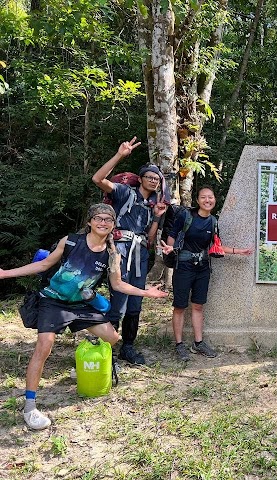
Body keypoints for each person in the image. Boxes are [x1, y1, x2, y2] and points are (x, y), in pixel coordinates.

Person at [0, 204, 168, 430]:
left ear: (113, 225)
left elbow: (117, 284)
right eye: (98, 218)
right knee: (44, 346)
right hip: (54, 300)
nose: (103, 222)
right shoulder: (70, 241)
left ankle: (86, 364)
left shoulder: (112, 254)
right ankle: (30, 407)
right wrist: (5, 273)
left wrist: (147, 291)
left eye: (108, 219)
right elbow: (44, 264)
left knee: (113, 338)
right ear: (89, 221)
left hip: (82, 303)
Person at [92, 137, 168, 365]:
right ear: (142, 178)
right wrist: (120, 155)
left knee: (136, 302)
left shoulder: (151, 205)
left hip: (140, 253)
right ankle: (107, 348)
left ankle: (128, 347)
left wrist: (156, 217)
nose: (154, 181)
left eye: (157, 179)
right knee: (120, 300)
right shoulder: (125, 193)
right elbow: (98, 179)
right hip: (120, 251)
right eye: (150, 177)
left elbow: (151, 237)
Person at [160, 186, 253, 362]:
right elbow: (172, 236)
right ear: (198, 200)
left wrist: (238, 251)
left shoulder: (213, 221)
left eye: (210, 197)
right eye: (203, 197)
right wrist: (170, 249)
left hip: (203, 268)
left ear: (214, 200)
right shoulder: (186, 216)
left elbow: (214, 246)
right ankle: (179, 344)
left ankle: (198, 342)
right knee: (180, 306)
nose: (207, 200)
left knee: (198, 306)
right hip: (184, 267)